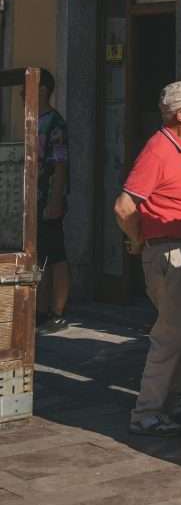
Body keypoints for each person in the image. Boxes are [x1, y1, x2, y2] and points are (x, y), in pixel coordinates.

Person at [113, 80, 181, 437]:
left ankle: (171, 404)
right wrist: (141, 237)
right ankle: (147, 412)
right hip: (172, 252)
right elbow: (124, 206)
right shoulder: (159, 149)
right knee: (171, 336)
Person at [31, 70, 70, 334]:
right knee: (41, 253)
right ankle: (41, 309)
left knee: (56, 255)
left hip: (47, 198)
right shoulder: (33, 120)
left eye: (28, 88)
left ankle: (57, 312)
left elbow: (60, 163)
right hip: (34, 197)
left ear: (42, 89)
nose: (23, 94)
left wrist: (55, 199)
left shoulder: (55, 123)